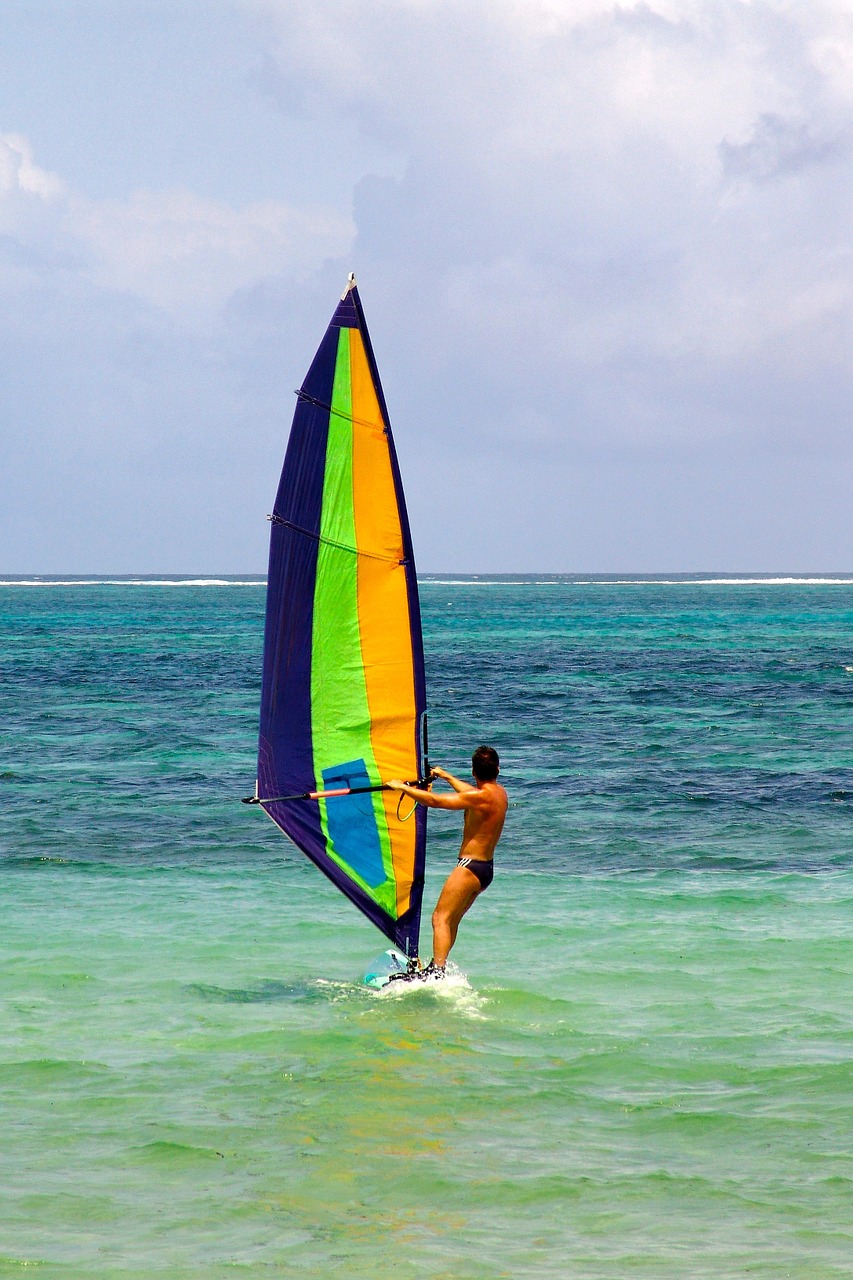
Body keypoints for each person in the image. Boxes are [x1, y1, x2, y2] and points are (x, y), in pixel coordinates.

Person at [387, 745, 507, 979]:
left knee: (439, 918)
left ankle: (437, 972)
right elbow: (469, 793)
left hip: (469, 867)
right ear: (498, 769)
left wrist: (401, 787)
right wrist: (447, 776)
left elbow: (435, 801)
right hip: (485, 870)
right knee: (451, 920)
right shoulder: (499, 793)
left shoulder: (478, 797)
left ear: (474, 771)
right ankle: (437, 965)